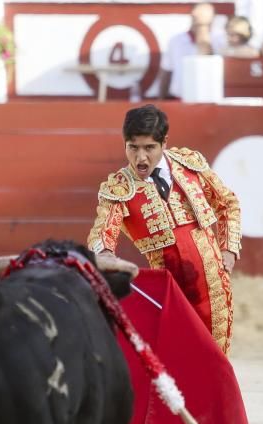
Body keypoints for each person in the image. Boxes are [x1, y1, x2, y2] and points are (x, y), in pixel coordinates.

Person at [87, 104, 241, 354]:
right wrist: (104, 254)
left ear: (163, 143)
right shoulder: (118, 188)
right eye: (133, 147)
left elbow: (228, 204)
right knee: (176, 360)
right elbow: (103, 231)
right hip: (168, 290)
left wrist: (230, 250)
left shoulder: (190, 165)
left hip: (212, 281)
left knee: (215, 358)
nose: (140, 158)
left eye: (149, 148)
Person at [159, 3, 221, 100]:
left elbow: (206, 61)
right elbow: (166, 71)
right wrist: (160, 101)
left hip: (211, 99)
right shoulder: (176, 40)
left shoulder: (220, 39)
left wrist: (202, 27)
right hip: (179, 98)